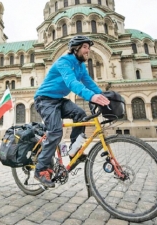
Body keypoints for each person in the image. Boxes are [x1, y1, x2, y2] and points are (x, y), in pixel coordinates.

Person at [33, 36, 110, 188]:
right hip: (45, 100)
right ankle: (40, 170)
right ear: (76, 48)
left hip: (58, 100)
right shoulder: (64, 61)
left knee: (80, 115)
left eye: (89, 47)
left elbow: (89, 83)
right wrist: (91, 96)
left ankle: (74, 151)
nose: (88, 50)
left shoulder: (81, 67)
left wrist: (104, 97)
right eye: (85, 47)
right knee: (55, 132)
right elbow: (71, 83)